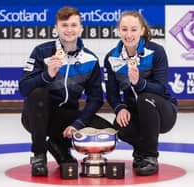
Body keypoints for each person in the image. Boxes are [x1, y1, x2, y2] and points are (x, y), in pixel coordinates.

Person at [19, 6, 111, 176]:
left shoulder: (90, 59)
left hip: (65, 116)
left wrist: (78, 123)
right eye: (64, 25)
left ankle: (59, 144)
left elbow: (96, 98)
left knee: (104, 129)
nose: (69, 30)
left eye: (73, 25)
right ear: (56, 28)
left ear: (81, 28)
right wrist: (47, 75)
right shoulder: (42, 52)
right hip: (37, 115)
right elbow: (24, 88)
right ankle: (39, 155)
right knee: (39, 94)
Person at [104, 11, 178, 176]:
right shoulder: (111, 58)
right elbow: (112, 93)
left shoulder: (156, 52)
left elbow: (161, 88)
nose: (128, 34)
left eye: (133, 29)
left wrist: (139, 83)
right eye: (124, 29)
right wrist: (119, 108)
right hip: (136, 113)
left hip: (163, 113)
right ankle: (140, 151)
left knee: (145, 98)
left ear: (142, 31)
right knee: (119, 125)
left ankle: (151, 156)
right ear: (119, 30)